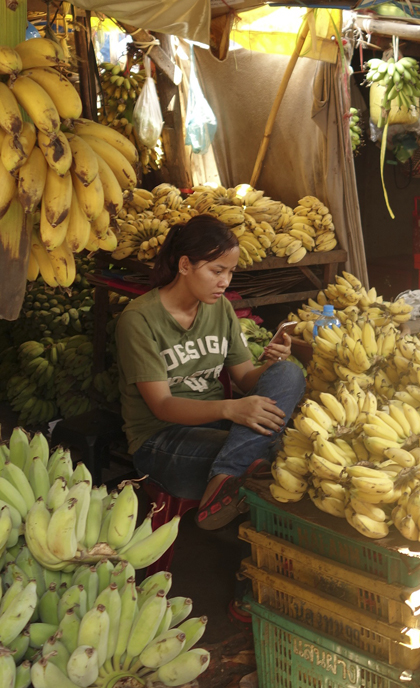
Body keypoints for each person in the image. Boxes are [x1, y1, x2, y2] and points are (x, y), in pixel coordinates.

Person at [115, 214, 307, 530]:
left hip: (219, 424)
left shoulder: (220, 309)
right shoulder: (139, 320)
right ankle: (231, 475)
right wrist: (232, 409)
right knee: (278, 456)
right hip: (160, 440)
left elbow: (245, 376)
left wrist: (271, 366)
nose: (225, 282)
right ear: (185, 265)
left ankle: (226, 476)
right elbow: (161, 405)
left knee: (288, 374)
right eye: (217, 271)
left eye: (230, 272)